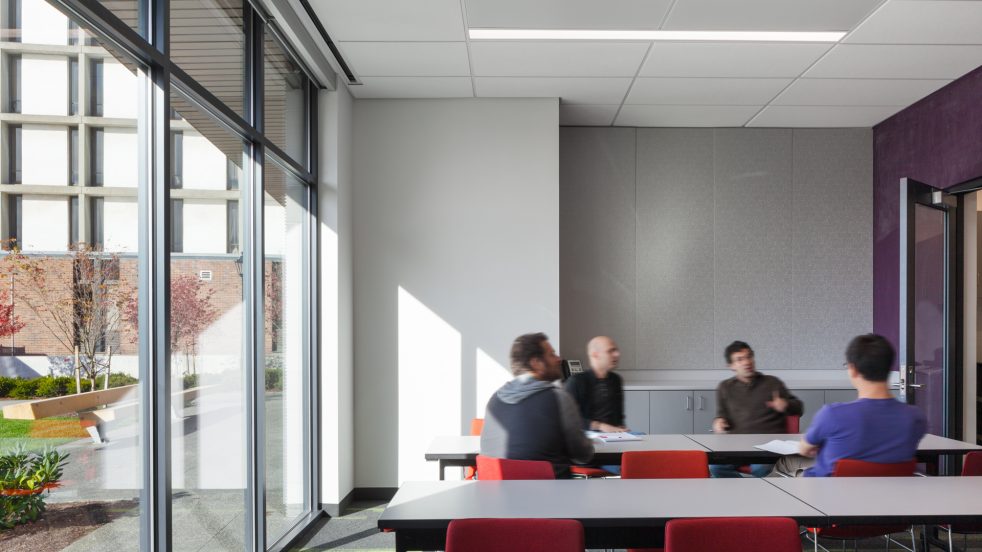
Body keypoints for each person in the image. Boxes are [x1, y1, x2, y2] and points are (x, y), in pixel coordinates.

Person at [773, 334, 927, 477]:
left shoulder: (832, 414)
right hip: (887, 500)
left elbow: (804, 449)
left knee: (784, 464)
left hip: (824, 498)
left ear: (852, 369)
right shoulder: (915, 418)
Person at [481, 332, 595, 478]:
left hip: (495, 497)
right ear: (536, 363)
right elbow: (582, 455)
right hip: (551, 496)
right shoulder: (558, 397)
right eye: (552, 354)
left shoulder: (494, 399)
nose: (558, 359)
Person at [710, 340, 803, 478]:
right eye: (740, 359)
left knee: (761, 468)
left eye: (749, 357)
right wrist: (718, 422)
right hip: (737, 447)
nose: (747, 362)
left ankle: (759, 494)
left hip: (768, 447)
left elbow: (799, 408)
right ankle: (744, 493)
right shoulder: (725, 387)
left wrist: (786, 404)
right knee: (715, 467)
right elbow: (721, 415)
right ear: (731, 366)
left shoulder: (772, 383)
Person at [564, 336, 628, 433]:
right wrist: (600, 426)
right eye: (610, 351)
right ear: (595, 355)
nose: (617, 354)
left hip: (614, 436)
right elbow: (568, 419)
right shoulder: (576, 381)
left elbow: (619, 417)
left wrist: (622, 430)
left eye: (616, 350)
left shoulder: (616, 380)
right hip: (586, 437)